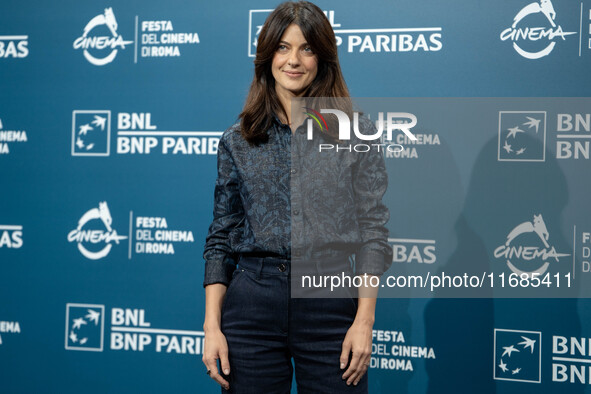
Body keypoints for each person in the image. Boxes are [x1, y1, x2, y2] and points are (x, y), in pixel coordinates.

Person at [201, 1, 392, 392]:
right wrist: (212, 326)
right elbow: (221, 236)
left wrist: (364, 321)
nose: (294, 60)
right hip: (252, 304)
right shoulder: (238, 140)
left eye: (306, 48)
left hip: (330, 303)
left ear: (322, 57)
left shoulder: (356, 133)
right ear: (267, 55)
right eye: (283, 47)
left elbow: (374, 232)